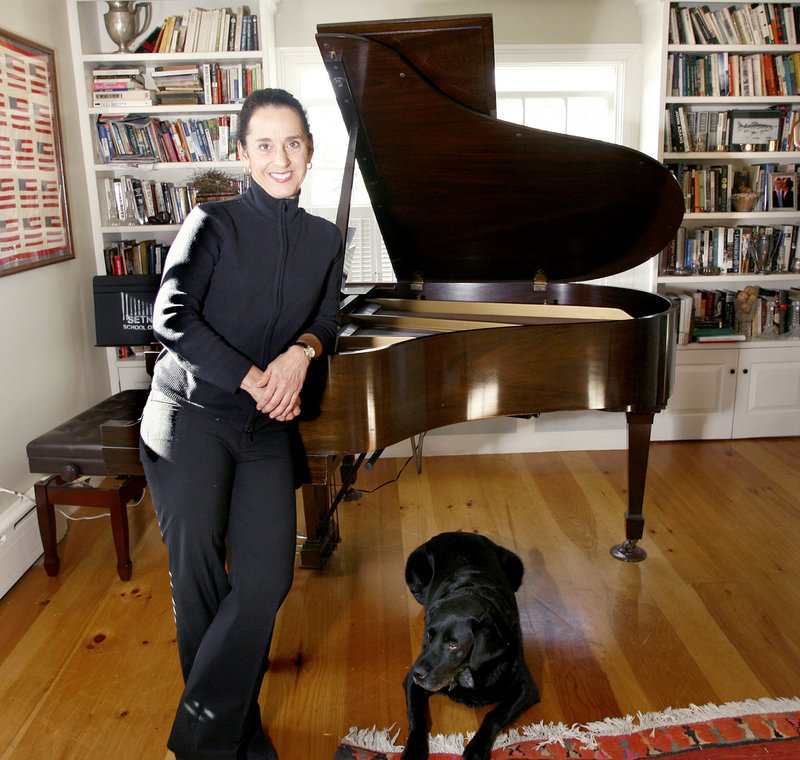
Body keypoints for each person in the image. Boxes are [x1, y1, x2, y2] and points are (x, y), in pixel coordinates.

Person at [139, 88, 343, 760]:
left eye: (293, 143)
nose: (279, 157)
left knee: (265, 583)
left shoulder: (324, 239)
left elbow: (325, 322)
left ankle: (201, 738)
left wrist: (300, 353)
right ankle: (231, 737)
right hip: (189, 417)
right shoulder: (213, 223)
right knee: (199, 580)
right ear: (242, 154)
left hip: (263, 431)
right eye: (264, 144)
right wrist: (254, 378)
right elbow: (170, 316)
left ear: (309, 153)